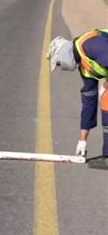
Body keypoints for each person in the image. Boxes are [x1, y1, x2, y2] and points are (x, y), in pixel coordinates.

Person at [47, 28, 108, 160]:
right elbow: (89, 102)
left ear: (62, 54)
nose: (61, 67)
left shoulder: (89, 45)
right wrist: (82, 141)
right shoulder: (84, 64)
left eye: (58, 63)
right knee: (105, 99)